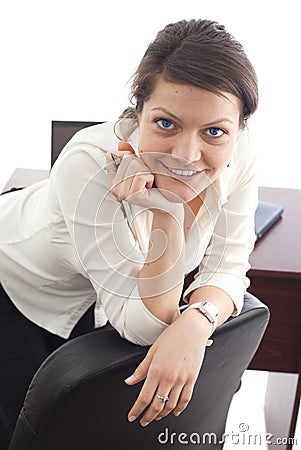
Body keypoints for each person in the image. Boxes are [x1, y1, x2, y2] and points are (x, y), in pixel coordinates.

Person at [0, 18, 258, 446]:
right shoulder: (87, 163)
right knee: (32, 430)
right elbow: (140, 327)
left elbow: (229, 265)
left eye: (214, 131)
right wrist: (168, 216)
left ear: (239, 126)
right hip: (18, 280)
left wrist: (197, 321)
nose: (187, 155)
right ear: (138, 111)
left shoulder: (239, 150)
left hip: (98, 294)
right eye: (166, 124)